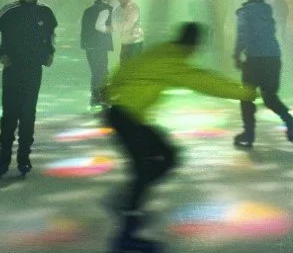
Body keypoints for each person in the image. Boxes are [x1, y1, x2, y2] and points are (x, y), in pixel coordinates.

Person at [103, 23, 256, 253]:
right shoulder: (173, 61)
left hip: (125, 116)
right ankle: (126, 234)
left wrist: (111, 88)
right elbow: (206, 81)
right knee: (144, 168)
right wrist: (246, 92)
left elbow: (126, 68)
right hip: (126, 118)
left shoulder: (159, 51)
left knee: (169, 156)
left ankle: (129, 200)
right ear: (194, 45)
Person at [0, 0, 58, 178]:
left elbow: (51, 35)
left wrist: (50, 53)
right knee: (10, 114)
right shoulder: (10, 10)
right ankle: (4, 157)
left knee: (28, 113)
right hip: (13, 70)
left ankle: (24, 158)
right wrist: (0, 52)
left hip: (34, 69)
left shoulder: (45, 12)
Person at [231, 0, 293, 148]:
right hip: (273, 59)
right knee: (269, 97)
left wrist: (237, 55)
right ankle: (289, 120)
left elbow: (243, 35)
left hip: (255, 60)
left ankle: (249, 133)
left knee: (247, 97)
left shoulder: (245, 13)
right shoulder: (267, 12)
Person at [82, 0, 114, 109]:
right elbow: (99, 26)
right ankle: (102, 97)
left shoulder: (88, 10)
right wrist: (110, 28)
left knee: (96, 72)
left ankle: (95, 97)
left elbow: (84, 28)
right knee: (102, 71)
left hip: (89, 46)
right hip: (99, 46)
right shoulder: (105, 9)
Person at [113, 0, 144, 64]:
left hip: (135, 42)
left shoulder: (133, 7)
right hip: (125, 42)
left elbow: (129, 24)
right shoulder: (118, 10)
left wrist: (113, 27)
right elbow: (114, 21)